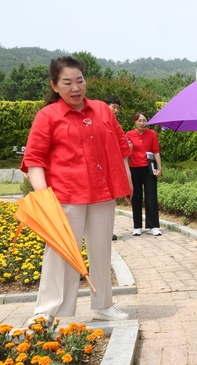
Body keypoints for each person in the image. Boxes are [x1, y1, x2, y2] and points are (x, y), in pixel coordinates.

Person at [20, 56, 132, 327]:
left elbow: (120, 144)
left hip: (102, 193)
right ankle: (46, 311)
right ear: (55, 86)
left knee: (101, 250)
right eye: (67, 82)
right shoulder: (48, 116)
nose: (75, 87)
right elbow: (34, 159)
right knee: (60, 252)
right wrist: (44, 197)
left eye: (79, 80)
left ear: (86, 80)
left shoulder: (103, 110)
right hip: (65, 196)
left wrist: (125, 177)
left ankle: (103, 305)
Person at [125, 111, 162, 236]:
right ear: (134, 121)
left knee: (151, 196)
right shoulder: (129, 135)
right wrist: (128, 149)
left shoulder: (152, 134)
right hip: (134, 168)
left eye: (144, 120)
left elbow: (156, 151)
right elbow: (126, 154)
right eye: (139, 120)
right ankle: (137, 226)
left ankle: (154, 226)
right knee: (136, 197)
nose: (142, 123)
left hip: (149, 168)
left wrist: (160, 168)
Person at [104, 96, 131, 241]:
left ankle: (109, 231)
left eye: (117, 108)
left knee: (110, 202)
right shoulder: (100, 122)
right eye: (113, 106)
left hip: (113, 168)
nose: (115, 110)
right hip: (101, 169)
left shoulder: (117, 126)